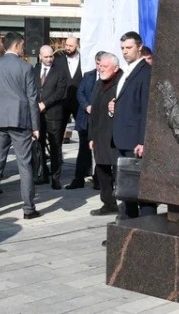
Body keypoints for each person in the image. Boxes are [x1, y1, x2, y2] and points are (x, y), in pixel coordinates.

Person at [0, 31, 41, 220]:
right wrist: (35, 125)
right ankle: (28, 208)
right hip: (20, 119)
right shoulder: (26, 67)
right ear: (16, 46)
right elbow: (33, 98)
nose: (24, 48)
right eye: (22, 45)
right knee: (25, 165)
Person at [113, 32, 155, 219]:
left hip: (135, 142)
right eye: (122, 48)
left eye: (128, 48)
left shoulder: (145, 72)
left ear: (139, 47)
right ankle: (127, 229)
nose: (125, 52)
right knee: (127, 189)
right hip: (122, 138)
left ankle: (146, 228)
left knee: (142, 190)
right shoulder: (126, 71)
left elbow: (147, 108)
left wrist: (142, 140)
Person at [88, 53, 121, 216]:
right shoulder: (97, 83)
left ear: (115, 68)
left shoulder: (122, 82)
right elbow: (93, 112)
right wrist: (91, 137)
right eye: (100, 65)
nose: (101, 68)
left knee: (118, 171)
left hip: (115, 136)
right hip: (99, 135)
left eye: (105, 66)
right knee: (101, 170)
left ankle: (124, 204)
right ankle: (108, 203)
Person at [35, 44, 69, 190]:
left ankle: (56, 178)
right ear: (40, 56)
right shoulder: (34, 69)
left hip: (53, 113)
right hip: (37, 113)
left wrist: (45, 104)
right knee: (39, 144)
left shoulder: (60, 71)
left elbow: (60, 92)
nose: (49, 59)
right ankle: (42, 174)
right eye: (46, 56)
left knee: (55, 146)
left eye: (51, 56)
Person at [70, 51, 105, 190]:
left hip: (100, 120)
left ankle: (99, 180)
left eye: (101, 64)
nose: (99, 67)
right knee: (83, 150)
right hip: (86, 119)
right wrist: (86, 106)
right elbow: (80, 92)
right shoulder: (88, 75)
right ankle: (78, 179)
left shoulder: (110, 76)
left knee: (99, 151)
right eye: (97, 63)